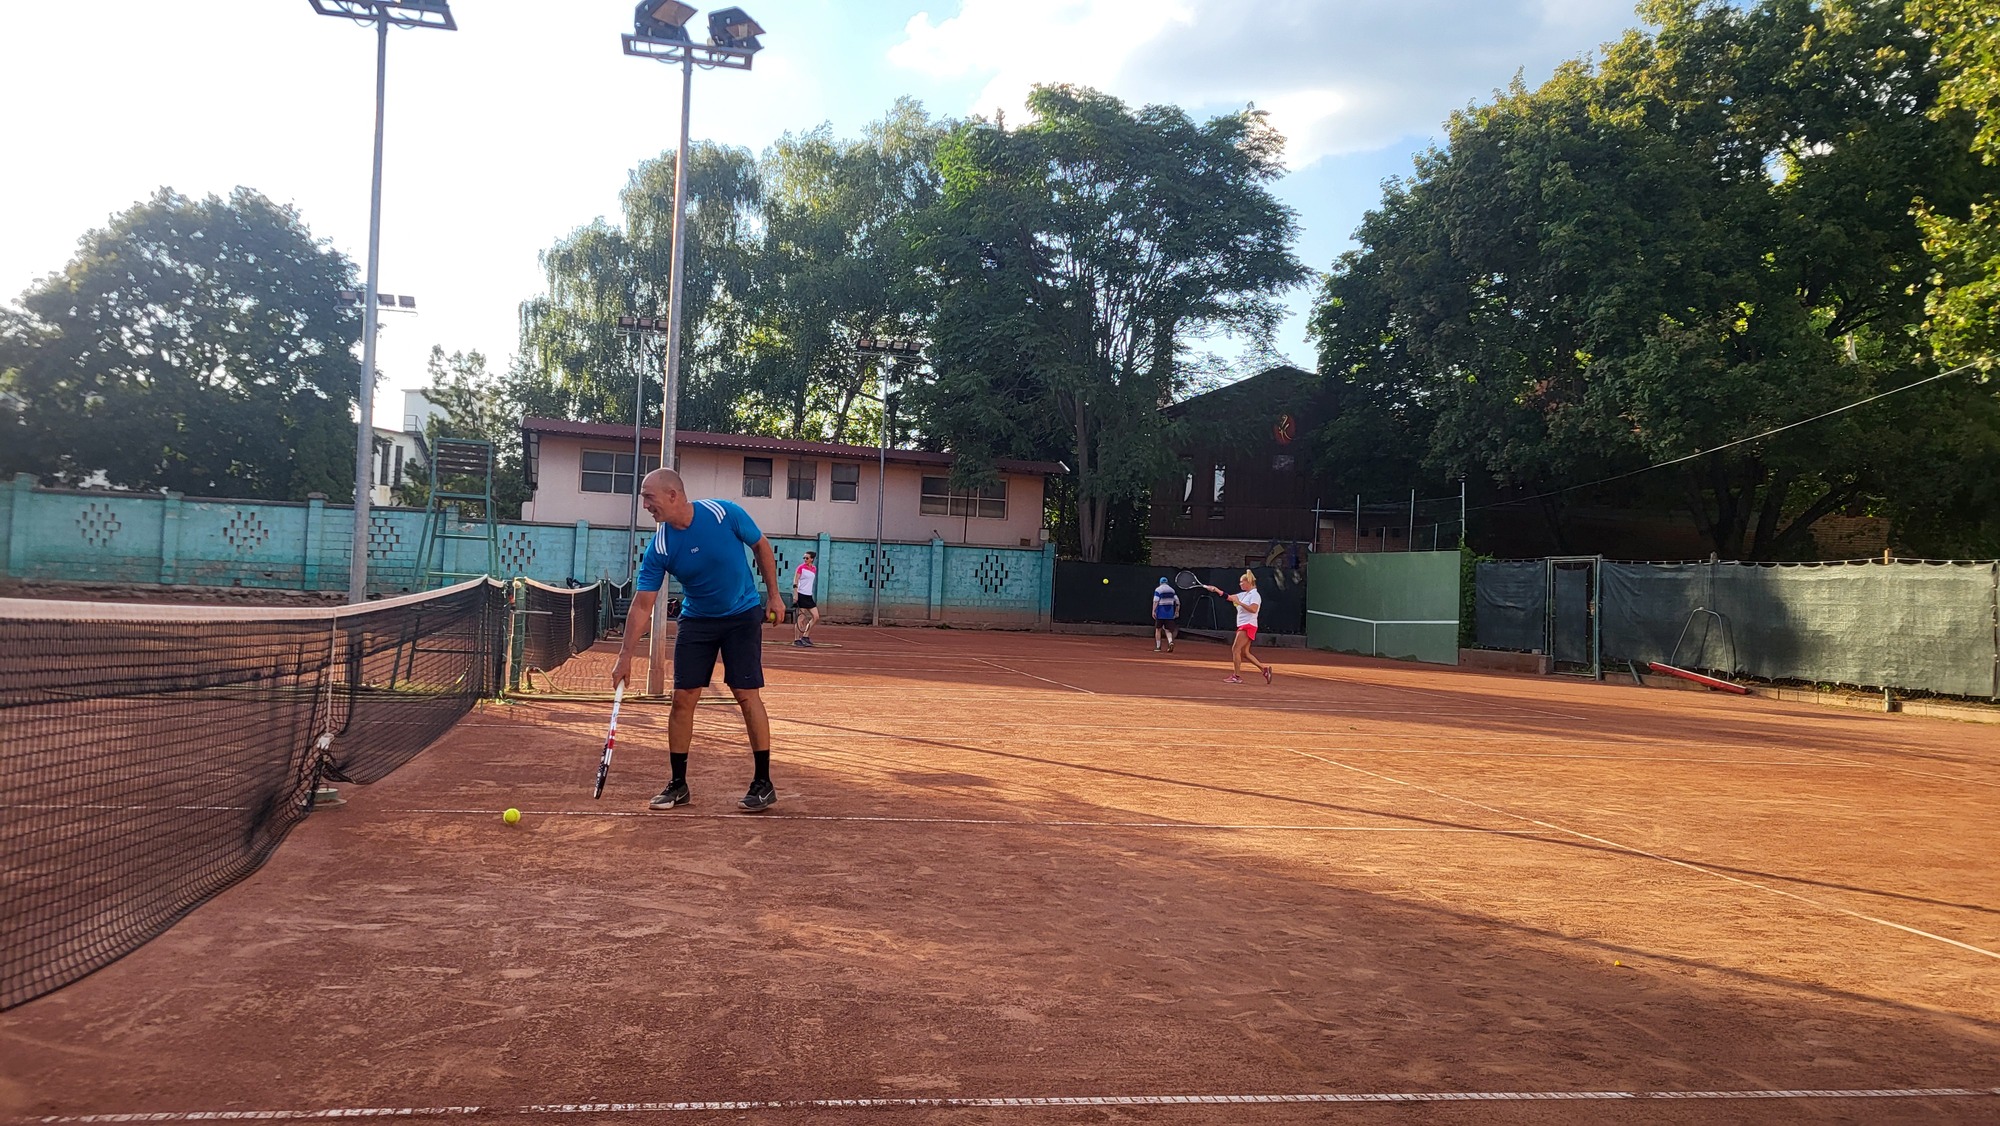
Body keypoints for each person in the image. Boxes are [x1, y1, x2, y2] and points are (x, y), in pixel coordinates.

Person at [611, 468, 787, 812]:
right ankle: (678, 785)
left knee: (746, 694)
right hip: (697, 621)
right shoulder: (660, 546)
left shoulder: (724, 513)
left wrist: (774, 596)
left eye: (649, 497)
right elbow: (643, 604)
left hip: (742, 614)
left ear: (673, 495)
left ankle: (763, 783)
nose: (645, 505)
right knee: (682, 699)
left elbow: (761, 545)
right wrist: (625, 655)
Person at [1202, 570, 1272, 685]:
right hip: (1245, 624)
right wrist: (1215, 590)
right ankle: (1264, 670)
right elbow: (1229, 597)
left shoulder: (1255, 595)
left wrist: (1240, 603)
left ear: (1248, 582)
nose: (1240, 584)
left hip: (1247, 625)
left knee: (1235, 649)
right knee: (1244, 652)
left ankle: (1236, 676)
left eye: (1242, 582)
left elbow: (1253, 609)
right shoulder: (1244, 594)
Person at [791, 550, 820, 647]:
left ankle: (805, 636)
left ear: (812, 559)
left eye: (807, 558)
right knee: (801, 618)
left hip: (809, 596)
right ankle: (796, 640)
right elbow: (795, 581)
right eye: (804, 558)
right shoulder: (801, 567)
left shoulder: (814, 569)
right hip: (801, 594)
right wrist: (795, 595)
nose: (805, 559)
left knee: (816, 617)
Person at [1150, 576, 1180, 652]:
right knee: (1168, 630)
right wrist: (1177, 611)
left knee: (1158, 629)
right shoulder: (1172, 590)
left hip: (1160, 613)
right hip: (1169, 613)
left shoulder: (1158, 590)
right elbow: (1177, 602)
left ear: (1160, 583)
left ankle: (1158, 647)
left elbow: (1156, 601)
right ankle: (1170, 642)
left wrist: (1153, 611)